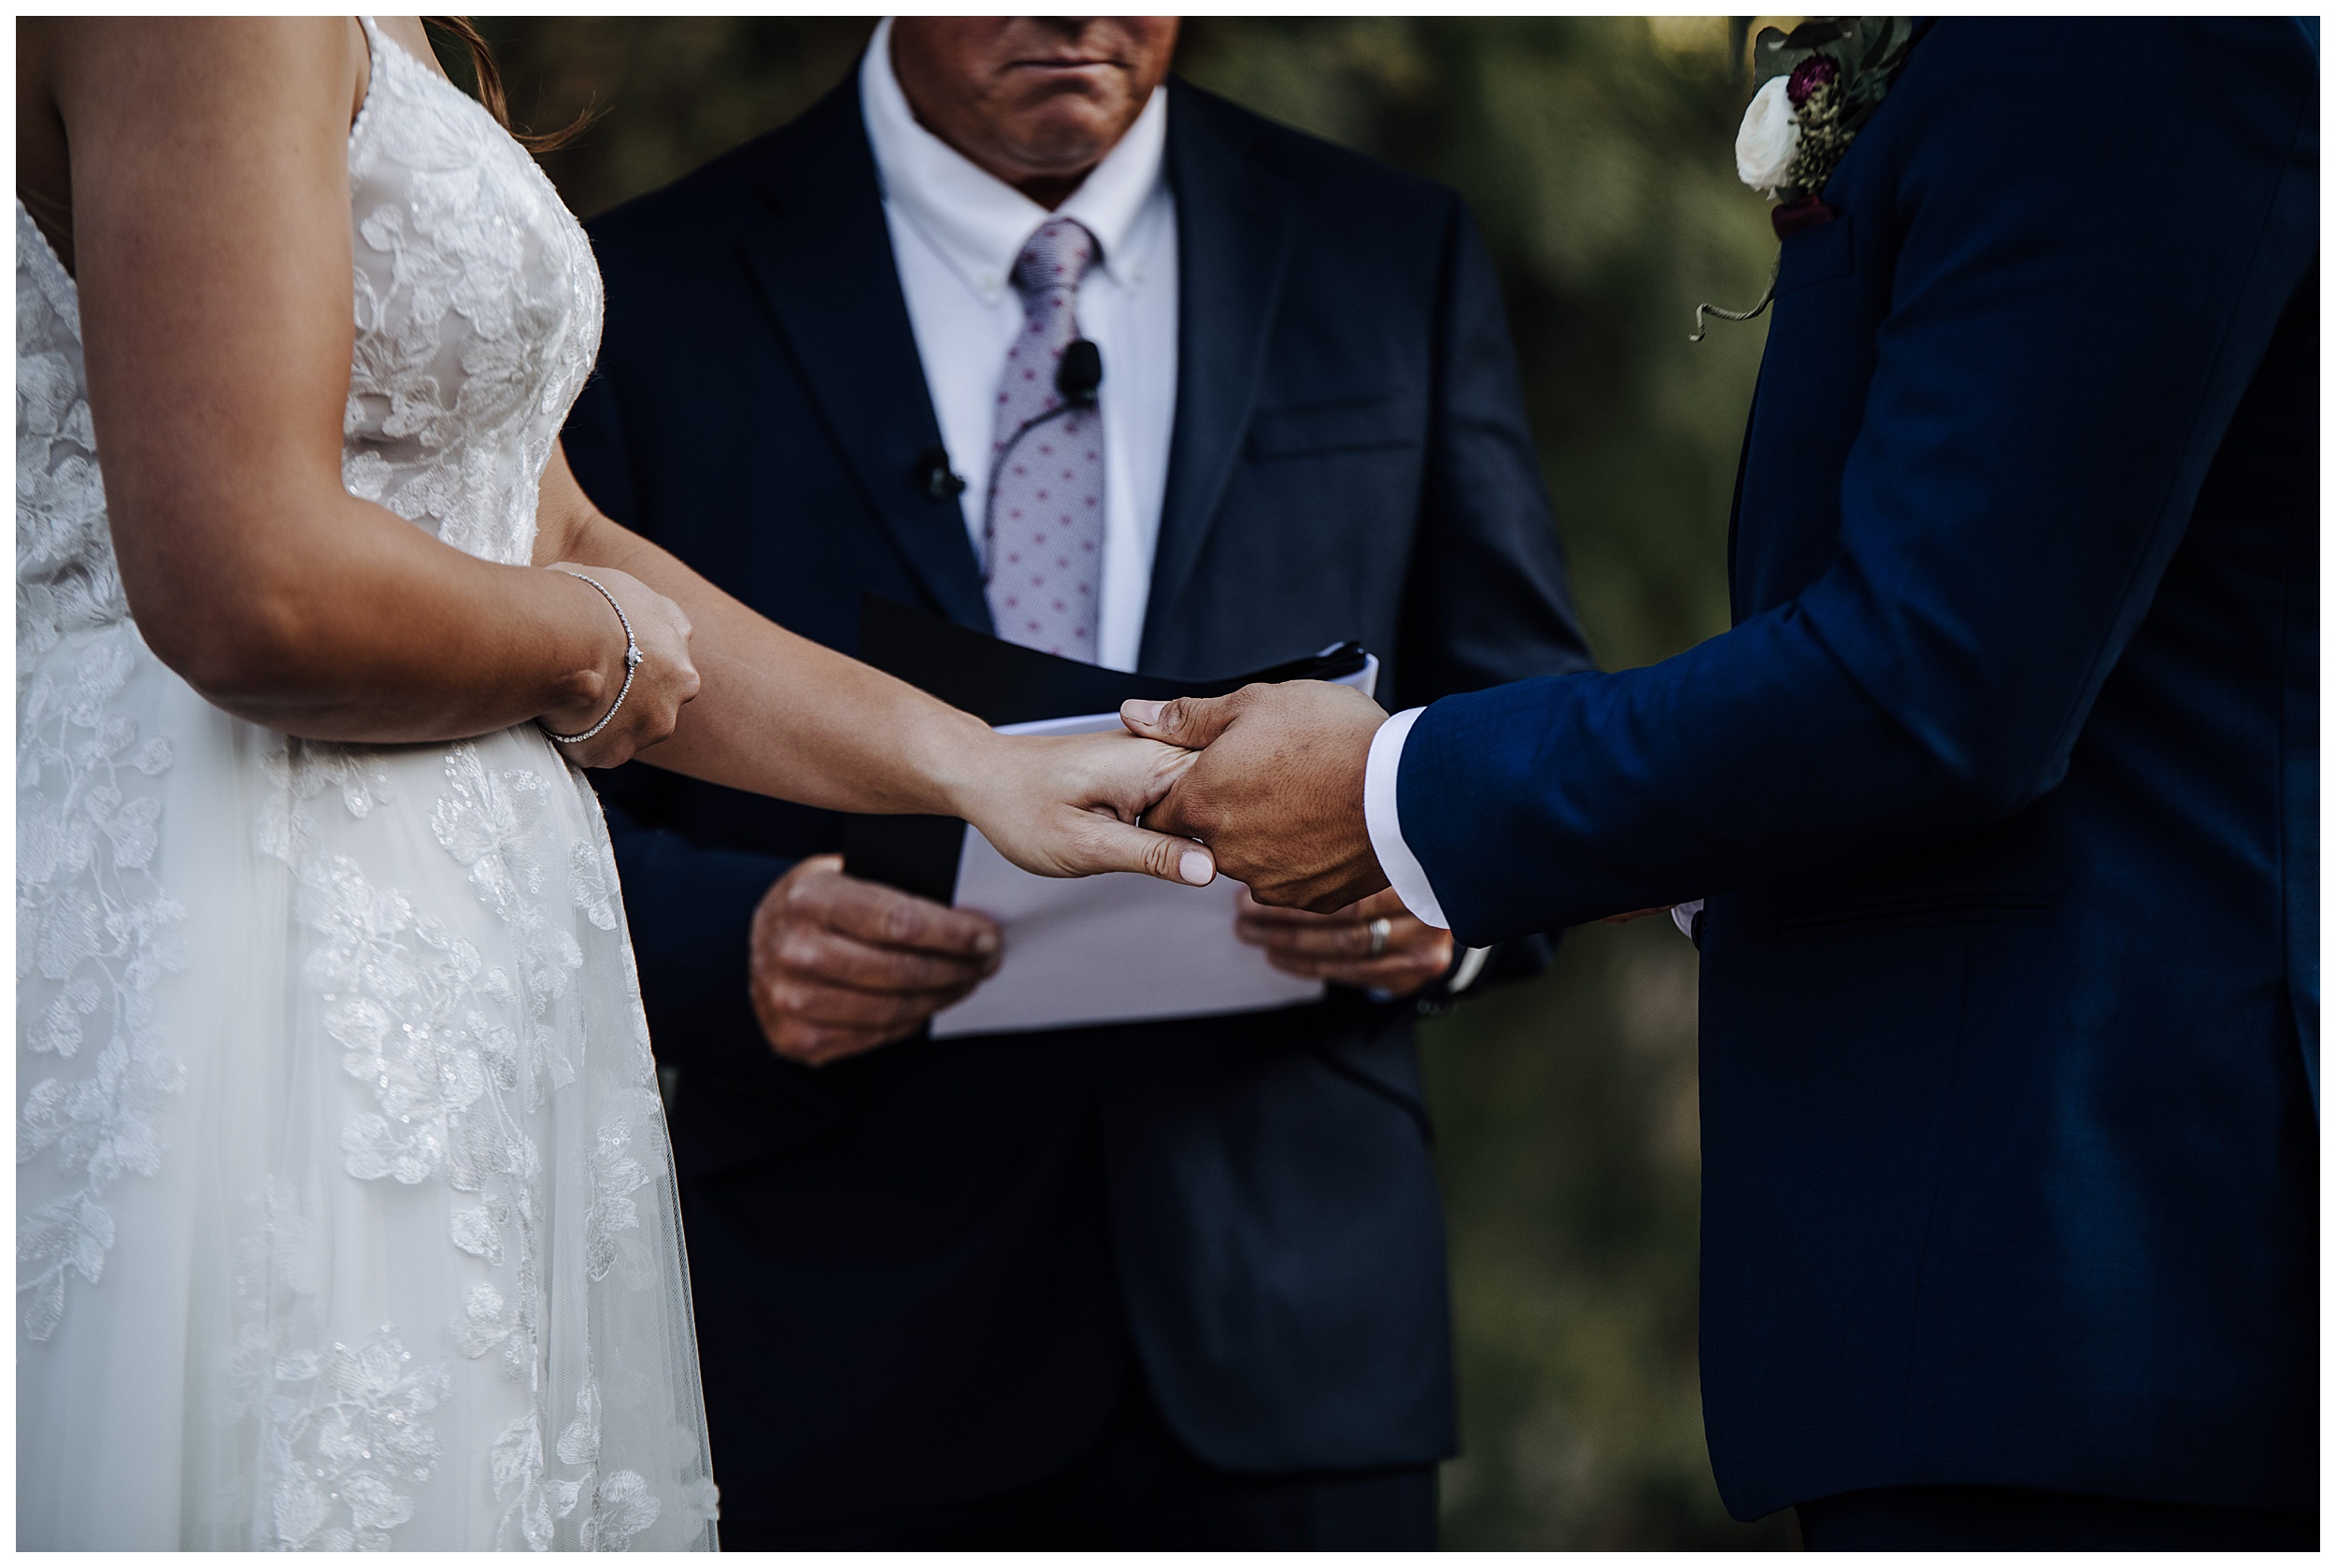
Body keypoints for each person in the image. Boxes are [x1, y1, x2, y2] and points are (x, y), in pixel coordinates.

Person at [1125, 17, 2318, 1552]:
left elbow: (1935, 680)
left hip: (2092, 1264)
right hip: (1985, 1289)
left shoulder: (2117, 43)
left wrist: (1394, 795)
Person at [16, 16, 1207, 1550]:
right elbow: (253, 586)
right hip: (265, 934)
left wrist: (978, 768)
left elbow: (548, 527)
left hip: (459, 969)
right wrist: (588, 654)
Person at [560, 15, 1591, 1548]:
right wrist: (733, 943)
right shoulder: (644, 284)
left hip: (1293, 1334)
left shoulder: (1389, 250)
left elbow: (1527, 713)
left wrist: (1448, 892)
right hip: (842, 1331)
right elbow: (534, 784)